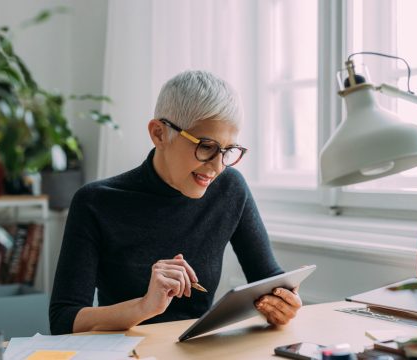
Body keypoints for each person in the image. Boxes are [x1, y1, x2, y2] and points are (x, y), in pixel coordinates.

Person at [49, 70, 302, 334]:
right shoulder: (95, 202)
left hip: (198, 352)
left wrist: (282, 303)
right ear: (159, 134)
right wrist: (144, 307)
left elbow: (268, 278)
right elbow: (63, 319)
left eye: (228, 151)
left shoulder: (230, 188)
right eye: (206, 147)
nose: (217, 167)